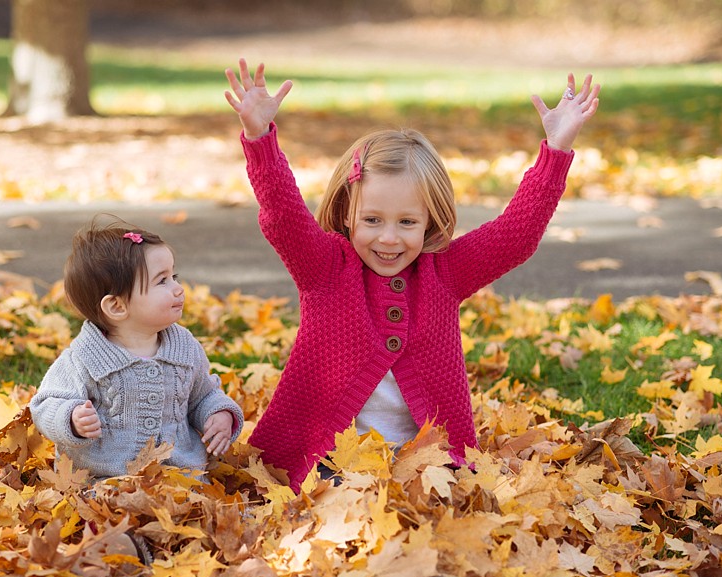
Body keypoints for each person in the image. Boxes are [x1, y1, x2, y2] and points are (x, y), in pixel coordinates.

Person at [224, 58, 599, 492]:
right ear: (348, 215)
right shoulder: (324, 268)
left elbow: (515, 236)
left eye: (407, 223)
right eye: (373, 220)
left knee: (439, 518)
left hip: (427, 461)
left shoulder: (446, 273)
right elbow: (283, 214)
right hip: (327, 462)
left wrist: (556, 150)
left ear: (430, 222)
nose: (389, 239)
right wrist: (259, 138)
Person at [30, 216, 244, 482]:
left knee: (196, 511)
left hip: (179, 474)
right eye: (162, 281)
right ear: (117, 307)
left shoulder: (184, 348)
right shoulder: (84, 357)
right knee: (107, 509)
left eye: (173, 276)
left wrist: (218, 413)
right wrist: (71, 419)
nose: (178, 289)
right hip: (106, 476)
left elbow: (203, 395)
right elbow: (45, 405)